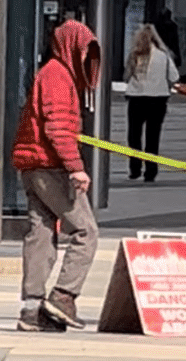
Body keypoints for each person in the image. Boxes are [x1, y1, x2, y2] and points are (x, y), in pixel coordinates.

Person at [12, 18, 101, 332]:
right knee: (86, 232)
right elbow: (58, 127)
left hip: (33, 165)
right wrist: (76, 168)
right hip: (50, 167)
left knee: (40, 236)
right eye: (84, 52)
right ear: (71, 48)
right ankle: (63, 297)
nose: (86, 61)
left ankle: (31, 310)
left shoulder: (51, 73)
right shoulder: (58, 76)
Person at [124, 24, 180, 182]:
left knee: (134, 136)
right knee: (152, 137)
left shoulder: (135, 55)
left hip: (136, 99)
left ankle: (134, 168)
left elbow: (126, 76)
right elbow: (174, 77)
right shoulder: (164, 55)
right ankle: (150, 171)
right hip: (158, 99)